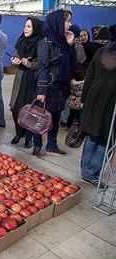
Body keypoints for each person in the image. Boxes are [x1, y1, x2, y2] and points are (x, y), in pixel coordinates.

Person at [32, 9, 76, 158]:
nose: (70, 24)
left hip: (59, 87)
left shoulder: (63, 41)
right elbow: (43, 67)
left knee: (56, 118)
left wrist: (70, 45)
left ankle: (51, 146)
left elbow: (75, 64)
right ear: (57, 22)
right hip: (47, 87)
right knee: (40, 117)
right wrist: (41, 91)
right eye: (67, 21)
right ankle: (37, 145)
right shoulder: (45, 43)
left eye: (70, 20)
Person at [80, 41, 116, 187]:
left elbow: (89, 76)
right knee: (106, 139)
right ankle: (91, 173)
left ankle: (85, 171)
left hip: (93, 98)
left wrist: (84, 99)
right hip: (112, 103)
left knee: (91, 135)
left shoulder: (101, 51)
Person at [9, 17, 43, 149]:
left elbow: (43, 63)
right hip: (21, 78)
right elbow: (15, 57)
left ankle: (29, 138)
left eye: (29, 26)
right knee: (16, 108)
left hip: (34, 79)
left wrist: (30, 64)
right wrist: (14, 61)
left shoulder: (41, 44)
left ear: (36, 29)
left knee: (31, 110)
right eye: (25, 26)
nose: (25, 29)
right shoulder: (21, 42)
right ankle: (19, 133)